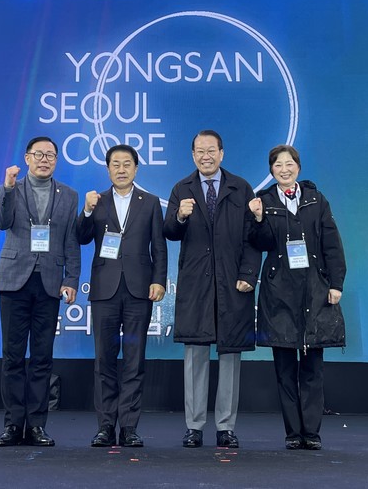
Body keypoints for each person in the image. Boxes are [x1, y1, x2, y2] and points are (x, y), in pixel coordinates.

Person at [163, 130, 261, 449]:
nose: (206, 156)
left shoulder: (240, 188)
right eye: (200, 151)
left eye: (211, 150)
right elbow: (169, 231)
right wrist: (179, 216)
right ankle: (194, 426)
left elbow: (252, 238)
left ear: (222, 153)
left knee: (230, 354)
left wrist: (248, 274)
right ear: (192, 155)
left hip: (232, 283)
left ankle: (225, 427)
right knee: (195, 354)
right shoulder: (182, 188)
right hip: (196, 283)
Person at [247, 145, 346, 450]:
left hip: (314, 292)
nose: (284, 170)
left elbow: (332, 243)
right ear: (271, 170)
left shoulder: (316, 199)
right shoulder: (264, 201)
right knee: (285, 370)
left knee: (313, 368)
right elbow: (261, 243)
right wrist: (258, 219)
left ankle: (312, 433)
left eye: (289, 164)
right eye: (278, 165)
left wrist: (336, 284)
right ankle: (293, 433)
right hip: (279, 295)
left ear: (298, 168)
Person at [0, 136, 80, 447]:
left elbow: (71, 241)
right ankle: (14, 425)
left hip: (50, 283)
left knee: (42, 357)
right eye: (38, 154)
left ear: (56, 161)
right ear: (27, 158)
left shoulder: (69, 195)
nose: (44, 160)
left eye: (50, 155)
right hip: (14, 280)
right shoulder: (12, 188)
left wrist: (71, 279)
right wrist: (7, 187)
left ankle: (37, 425)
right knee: (13, 356)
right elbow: (2, 222)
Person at [76, 144, 168, 448]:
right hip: (105, 289)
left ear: (136, 168)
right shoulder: (97, 200)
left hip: (139, 290)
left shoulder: (150, 202)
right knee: (104, 359)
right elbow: (81, 236)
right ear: (108, 169)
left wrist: (159, 281)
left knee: (134, 359)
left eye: (127, 164)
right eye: (115, 164)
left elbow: (159, 247)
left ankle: (129, 427)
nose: (121, 169)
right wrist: (86, 211)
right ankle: (105, 426)